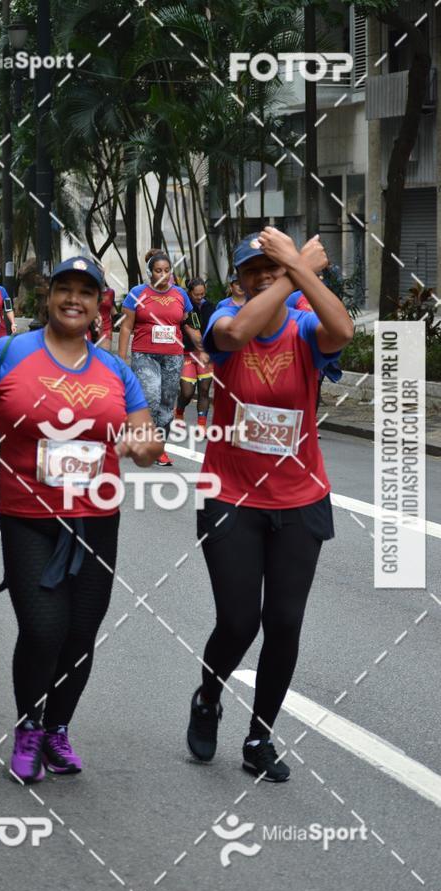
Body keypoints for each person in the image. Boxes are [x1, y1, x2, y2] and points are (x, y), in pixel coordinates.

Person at [0, 256, 162, 783]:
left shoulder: (117, 371)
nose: (74, 299)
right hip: (27, 517)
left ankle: (58, 729)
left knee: (81, 636)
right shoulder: (9, 352)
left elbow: (149, 439)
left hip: (96, 520)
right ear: (50, 295)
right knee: (43, 630)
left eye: (87, 292)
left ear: (97, 306)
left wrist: (141, 445)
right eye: (65, 288)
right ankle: (29, 727)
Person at [186, 228, 353, 781]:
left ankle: (260, 736)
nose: (264, 276)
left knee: (284, 623)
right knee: (238, 621)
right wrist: (293, 268)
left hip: (301, 498)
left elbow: (344, 330)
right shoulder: (222, 320)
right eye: (253, 271)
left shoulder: (305, 327)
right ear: (238, 280)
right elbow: (236, 333)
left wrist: (298, 272)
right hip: (230, 495)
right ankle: (209, 695)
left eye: (272, 267)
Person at [118, 251, 205, 466]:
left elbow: (186, 322)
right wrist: (120, 359)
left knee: (167, 403)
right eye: (158, 271)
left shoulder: (180, 295)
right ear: (149, 272)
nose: (163, 275)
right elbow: (127, 326)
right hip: (144, 354)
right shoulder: (137, 293)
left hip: (173, 357)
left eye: (167, 271)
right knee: (152, 396)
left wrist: (201, 344)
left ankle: (159, 448)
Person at [174, 278, 215, 439]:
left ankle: (201, 425)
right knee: (187, 391)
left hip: (205, 354)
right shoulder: (182, 307)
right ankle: (179, 413)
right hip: (186, 354)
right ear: (189, 292)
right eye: (197, 294)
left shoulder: (209, 307)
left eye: (203, 294)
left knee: (204, 390)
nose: (200, 297)